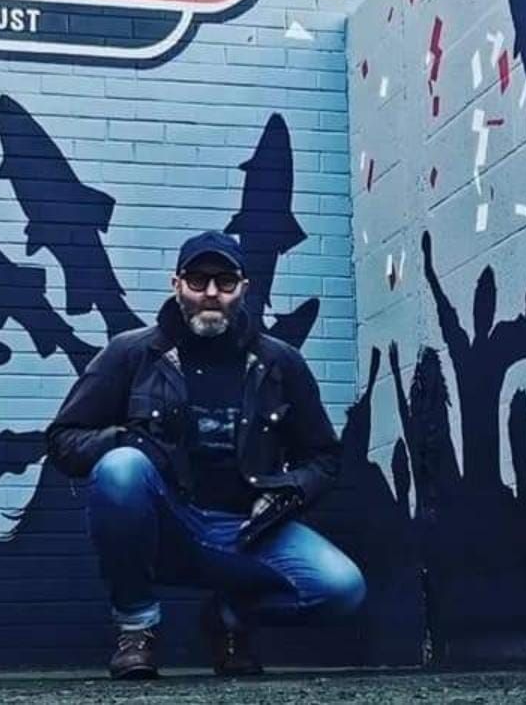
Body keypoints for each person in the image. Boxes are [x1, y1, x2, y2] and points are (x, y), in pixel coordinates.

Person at [45, 230, 364, 679]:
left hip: (248, 532)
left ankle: (229, 618)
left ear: (243, 289)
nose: (210, 293)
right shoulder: (132, 354)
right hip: (166, 526)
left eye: (225, 281)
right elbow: (63, 439)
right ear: (177, 285)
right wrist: (128, 441)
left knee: (342, 589)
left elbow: (324, 459)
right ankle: (136, 628)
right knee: (121, 469)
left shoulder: (280, 363)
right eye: (197, 280)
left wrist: (287, 492)